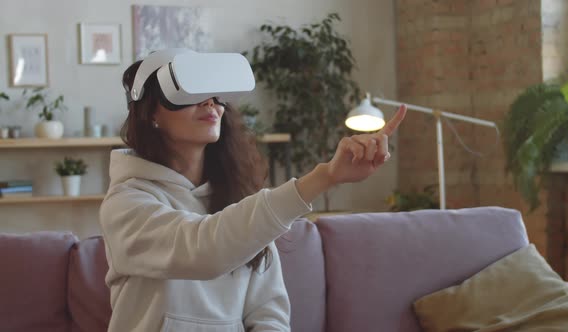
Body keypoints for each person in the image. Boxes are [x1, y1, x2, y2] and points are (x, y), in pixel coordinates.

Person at [99, 51, 407, 332]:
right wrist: (323, 178)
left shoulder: (241, 201)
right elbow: (202, 249)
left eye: (215, 94)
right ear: (150, 112)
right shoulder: (127, 202)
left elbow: (268, 312)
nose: (210, 103)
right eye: (188, 93)